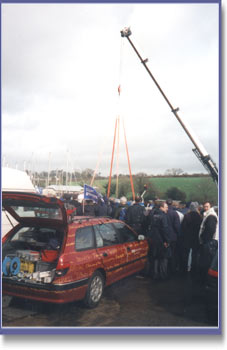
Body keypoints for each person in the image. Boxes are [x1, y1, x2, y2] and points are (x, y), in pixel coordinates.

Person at [148, 202, 171, 280]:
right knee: (163, 258)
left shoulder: (152, 214)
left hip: (153, 239)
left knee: (155, 257)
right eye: (166, 207)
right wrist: (167, 240)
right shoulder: (163, 216)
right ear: (162, 207)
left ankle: (155, 274)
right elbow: (165, 229)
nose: (167, 209)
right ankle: (163, 275)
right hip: (161, 240)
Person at [198, 201, 218, 283]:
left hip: (209, 242)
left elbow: (210, 230)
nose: (205, 208)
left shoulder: (211, 216)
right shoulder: (208, 215)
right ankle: (205, 279)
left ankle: (205, 280)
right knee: (207, 260)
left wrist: (204, 240)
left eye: (207, 206)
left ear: (210, 207)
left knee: (207, 261)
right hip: (209, 241)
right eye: (204, 206)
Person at [180, 202, 202, 274]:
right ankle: (193, 268)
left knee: (186, 253)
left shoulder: (187, 216)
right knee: (194, 254)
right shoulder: (199, 217)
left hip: (187, 238)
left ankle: (185, 268)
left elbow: (183, 227)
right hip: (195, 238)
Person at [166, 198, 181, 275]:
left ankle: (165, 269)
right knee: (173, 253)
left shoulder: (163, 212)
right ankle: (172, 269)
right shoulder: (175, 213)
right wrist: (179, 235)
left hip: (164, 236)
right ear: (172, 204)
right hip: (173, 237)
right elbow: (177, 226)